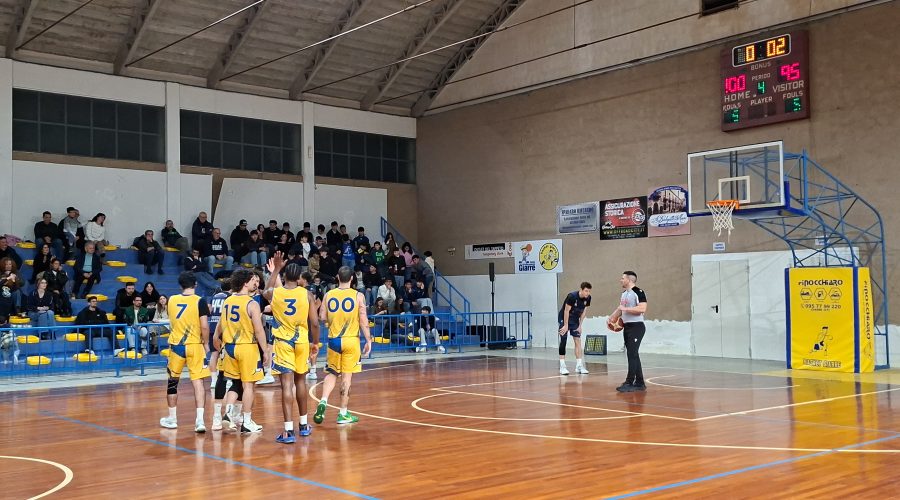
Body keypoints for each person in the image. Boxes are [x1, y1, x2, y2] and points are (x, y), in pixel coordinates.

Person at [263, 252, 320, 443]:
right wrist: (315, 343)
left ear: (285, 276)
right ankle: (303, 425)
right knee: (301, 382)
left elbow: (265, 290)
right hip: (302, 341)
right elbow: (315, 323)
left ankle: (288, 431)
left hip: (283, 342)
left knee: (286, 385)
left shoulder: (276, 293)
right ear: (299, 278)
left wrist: (276, 269)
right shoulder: (307, 294)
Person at [313, 266, 372, 425]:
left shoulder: (328, 294)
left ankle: (323, 401)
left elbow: (322, 317)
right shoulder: (358, 295)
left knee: (332, 373)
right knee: (346, 377)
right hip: (351, 339)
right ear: (352, 279)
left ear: (337, 277)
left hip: (334, 339)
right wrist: (368, 339)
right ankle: (343, 414)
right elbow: (363, 319)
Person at [214, 269, 269, 433]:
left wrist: (216, 337)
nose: (256, 283)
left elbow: (222, 324)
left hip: (230, 347)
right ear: (245, 282)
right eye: (253, 280)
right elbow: (259, 330)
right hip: (247, 347)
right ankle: (247, 421)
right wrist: (265, 350)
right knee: (249, 386)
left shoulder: (228, 300)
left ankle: (228, 413)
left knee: (235, 383)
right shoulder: (251, 303)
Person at [160, 272, 212, 432]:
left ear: (180, 285)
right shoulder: (200, 301)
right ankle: (200, 421)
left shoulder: (172, 300)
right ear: (195, 284)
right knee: (198, 382)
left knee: (173, 381)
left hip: (176, 345)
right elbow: (204, 326)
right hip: (195, 344)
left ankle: (172, 418)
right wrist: (206, 343)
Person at [610, 271, 648, 392]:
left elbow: (642, 308)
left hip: (637, 327)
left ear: (629, 280)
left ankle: (629, 382)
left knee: (632, 354)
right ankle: (640, 383)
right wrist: (612, 317)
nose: (620, 280)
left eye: (622, 278)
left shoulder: (638, 292)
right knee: (633, 354)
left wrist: (625, 308)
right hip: (627, 327)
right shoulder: (624, 294)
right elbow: (620, 309)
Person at [558, 282, 592, 376]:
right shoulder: (572, 296)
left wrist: (580, 325)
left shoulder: (588, 298)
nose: (587, 293)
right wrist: (565, 325)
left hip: (575, 319)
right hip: (564, 318)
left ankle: (579, 366)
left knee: (577, 340)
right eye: (586, 291)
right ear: (581, 289)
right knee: (563, 339)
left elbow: (584, 311)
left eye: (589, 291)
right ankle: (562, 366)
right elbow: (566, 310)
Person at [207, 281, 231, 390]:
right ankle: (227, 379)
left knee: (214, 354)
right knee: (225, 354)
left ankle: (213, 380)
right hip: (223, 327)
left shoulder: (214, 296)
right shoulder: (229, 297)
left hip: (212, 326)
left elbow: (209, 309)